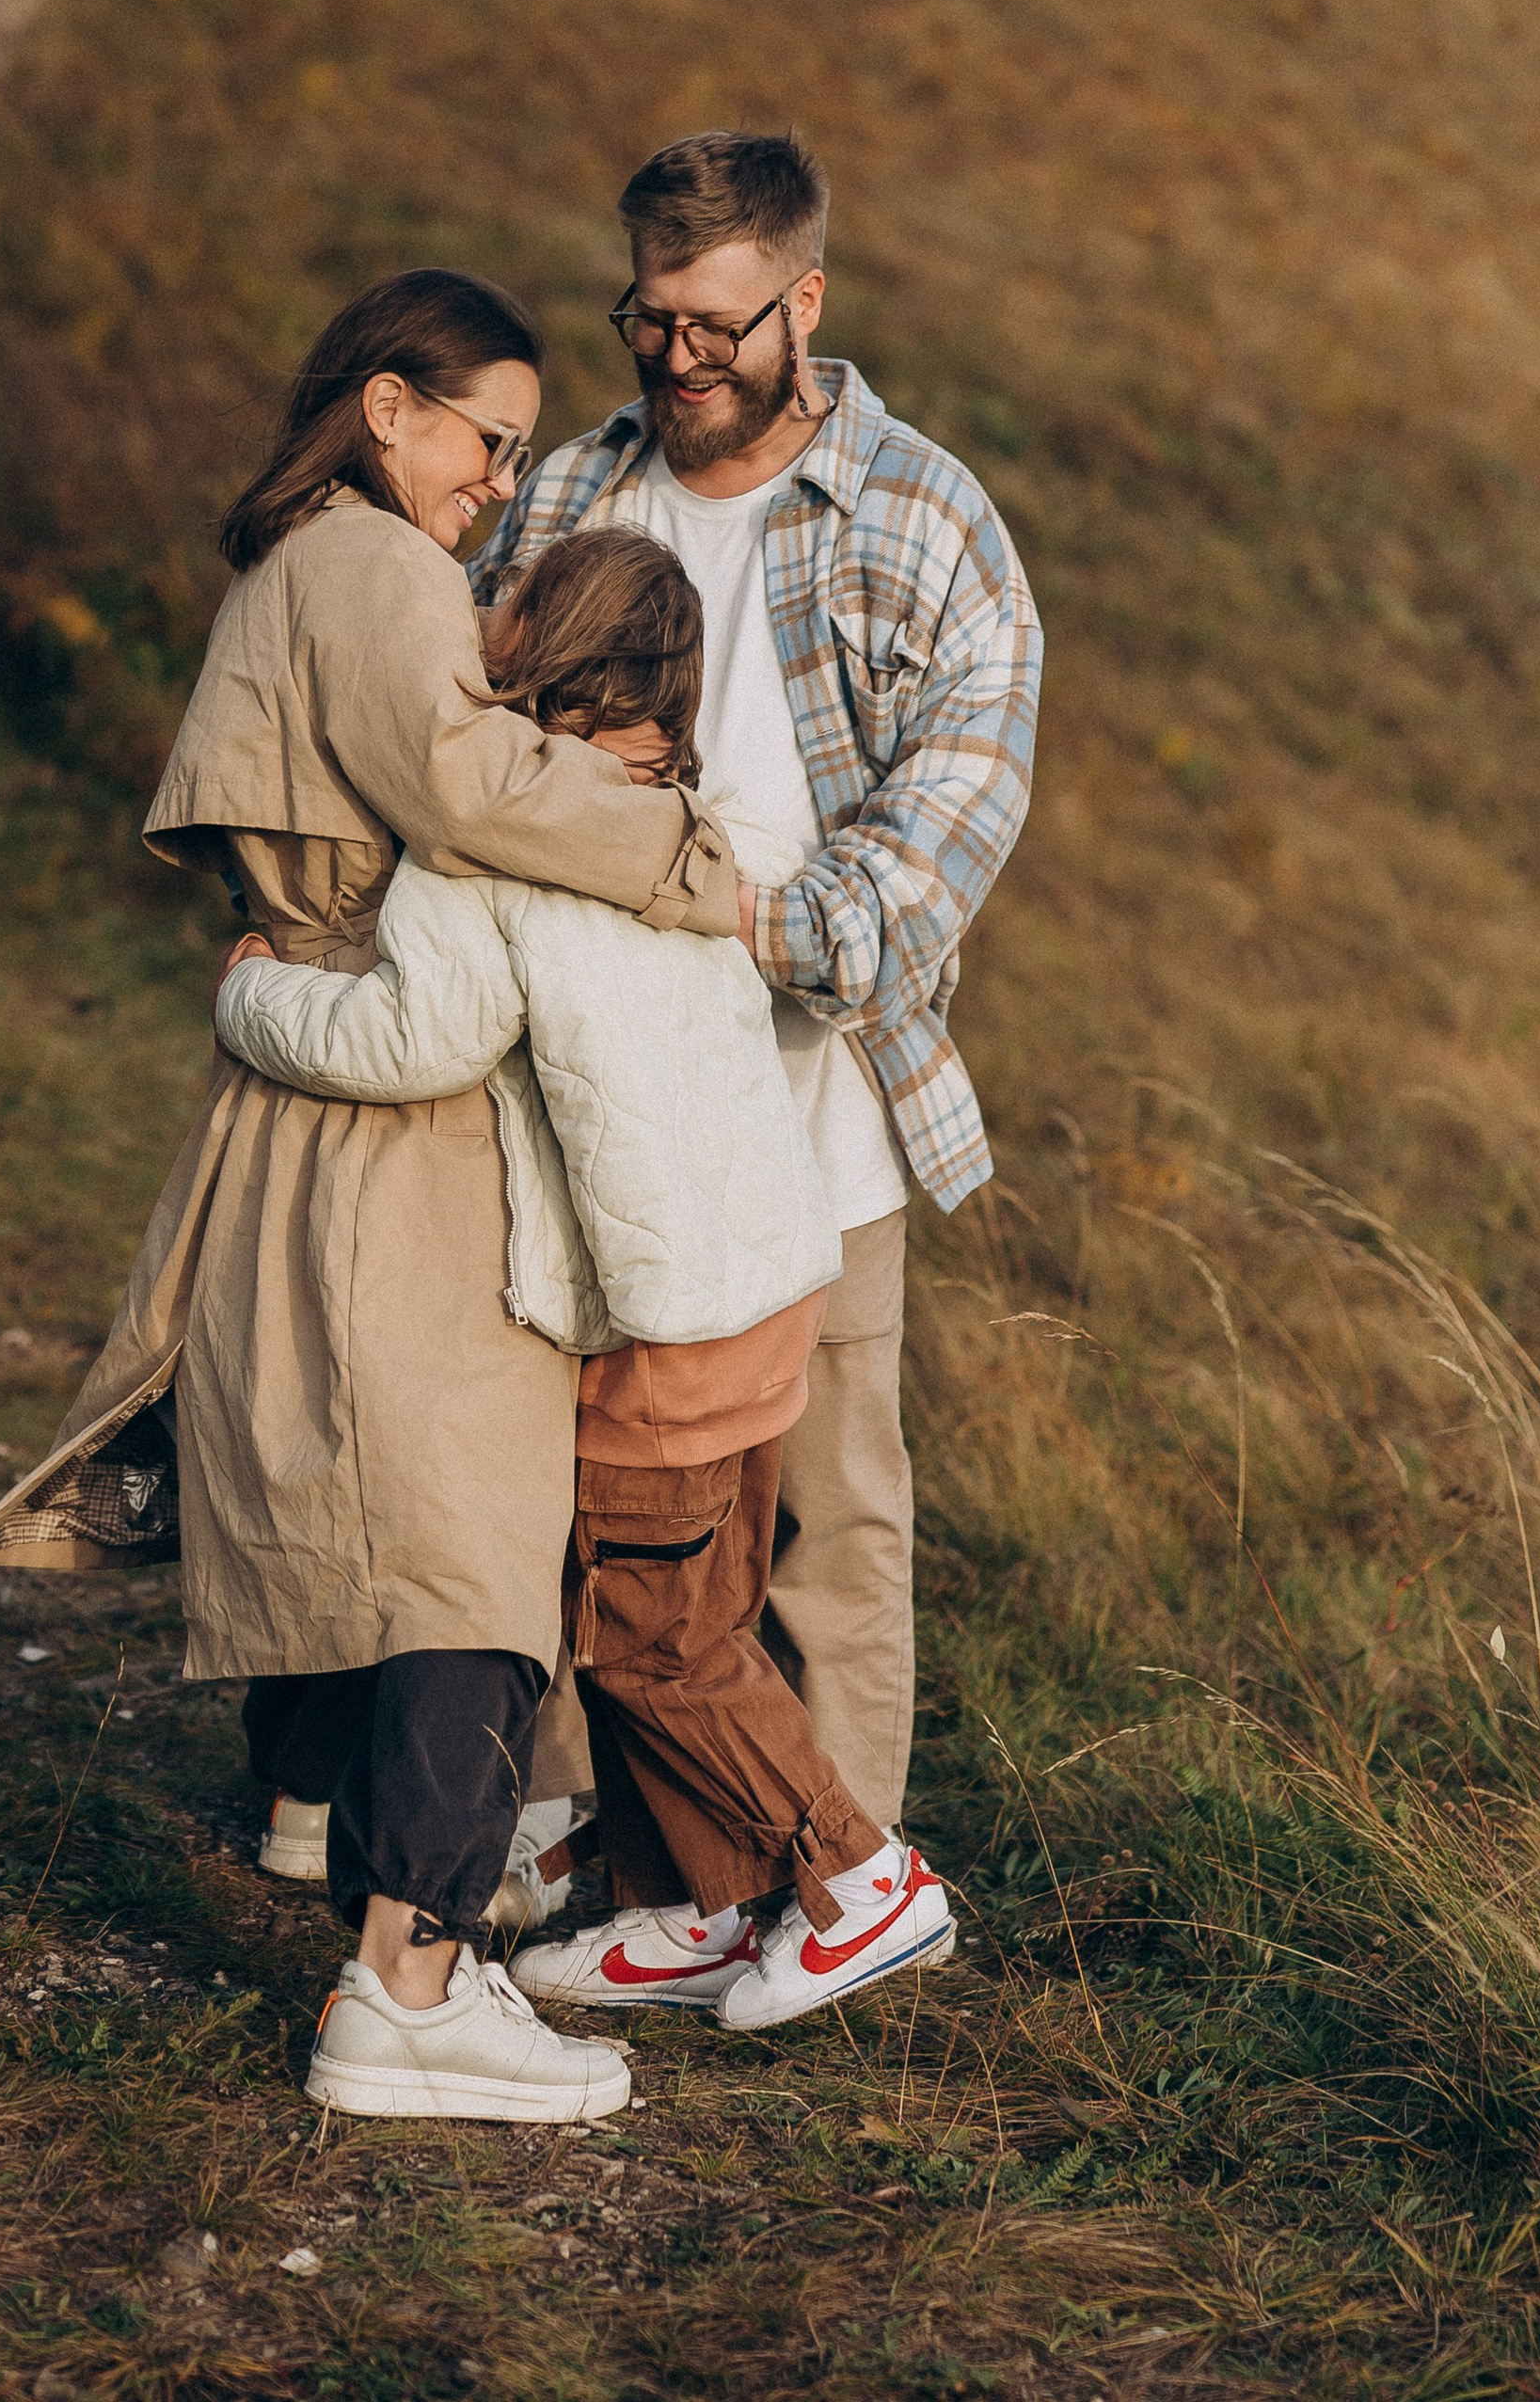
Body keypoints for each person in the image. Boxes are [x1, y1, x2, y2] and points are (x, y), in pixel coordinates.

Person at [0, 271, 740, 2127]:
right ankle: (403, 1990)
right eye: (487, 437)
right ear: (388, 409)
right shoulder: (374, 568)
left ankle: (337, 1835)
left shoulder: (307, 568)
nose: (498, 483)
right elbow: (464, 786)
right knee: (460, 1549)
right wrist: (685, 853)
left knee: (379, 1505)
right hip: (389, 1125)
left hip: (340, 1095)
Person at [217, 529, 957, 2034]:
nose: (478, 611)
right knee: (706, 1610)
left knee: (645, 1640)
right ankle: (696, 1902)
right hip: (771, 1289)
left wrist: (258, 996)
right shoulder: (704, 822)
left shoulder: (485, 852)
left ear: (542, 644)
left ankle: (859, 1878)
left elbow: (412, 1042)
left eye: (507, 597)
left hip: (665, 1324)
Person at [469, 133, 1041, 1840]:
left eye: (719, 326)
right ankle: (565, 1850)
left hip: (820, 1113)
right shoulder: (571, 494)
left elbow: (910, 887)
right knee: (556, 1481)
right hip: (569, 1087)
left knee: (828, 1519)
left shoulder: (930, 523)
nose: (680, 362)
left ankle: (836, 1882)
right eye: (649, 323)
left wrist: (675, 890)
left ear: (805, 301)